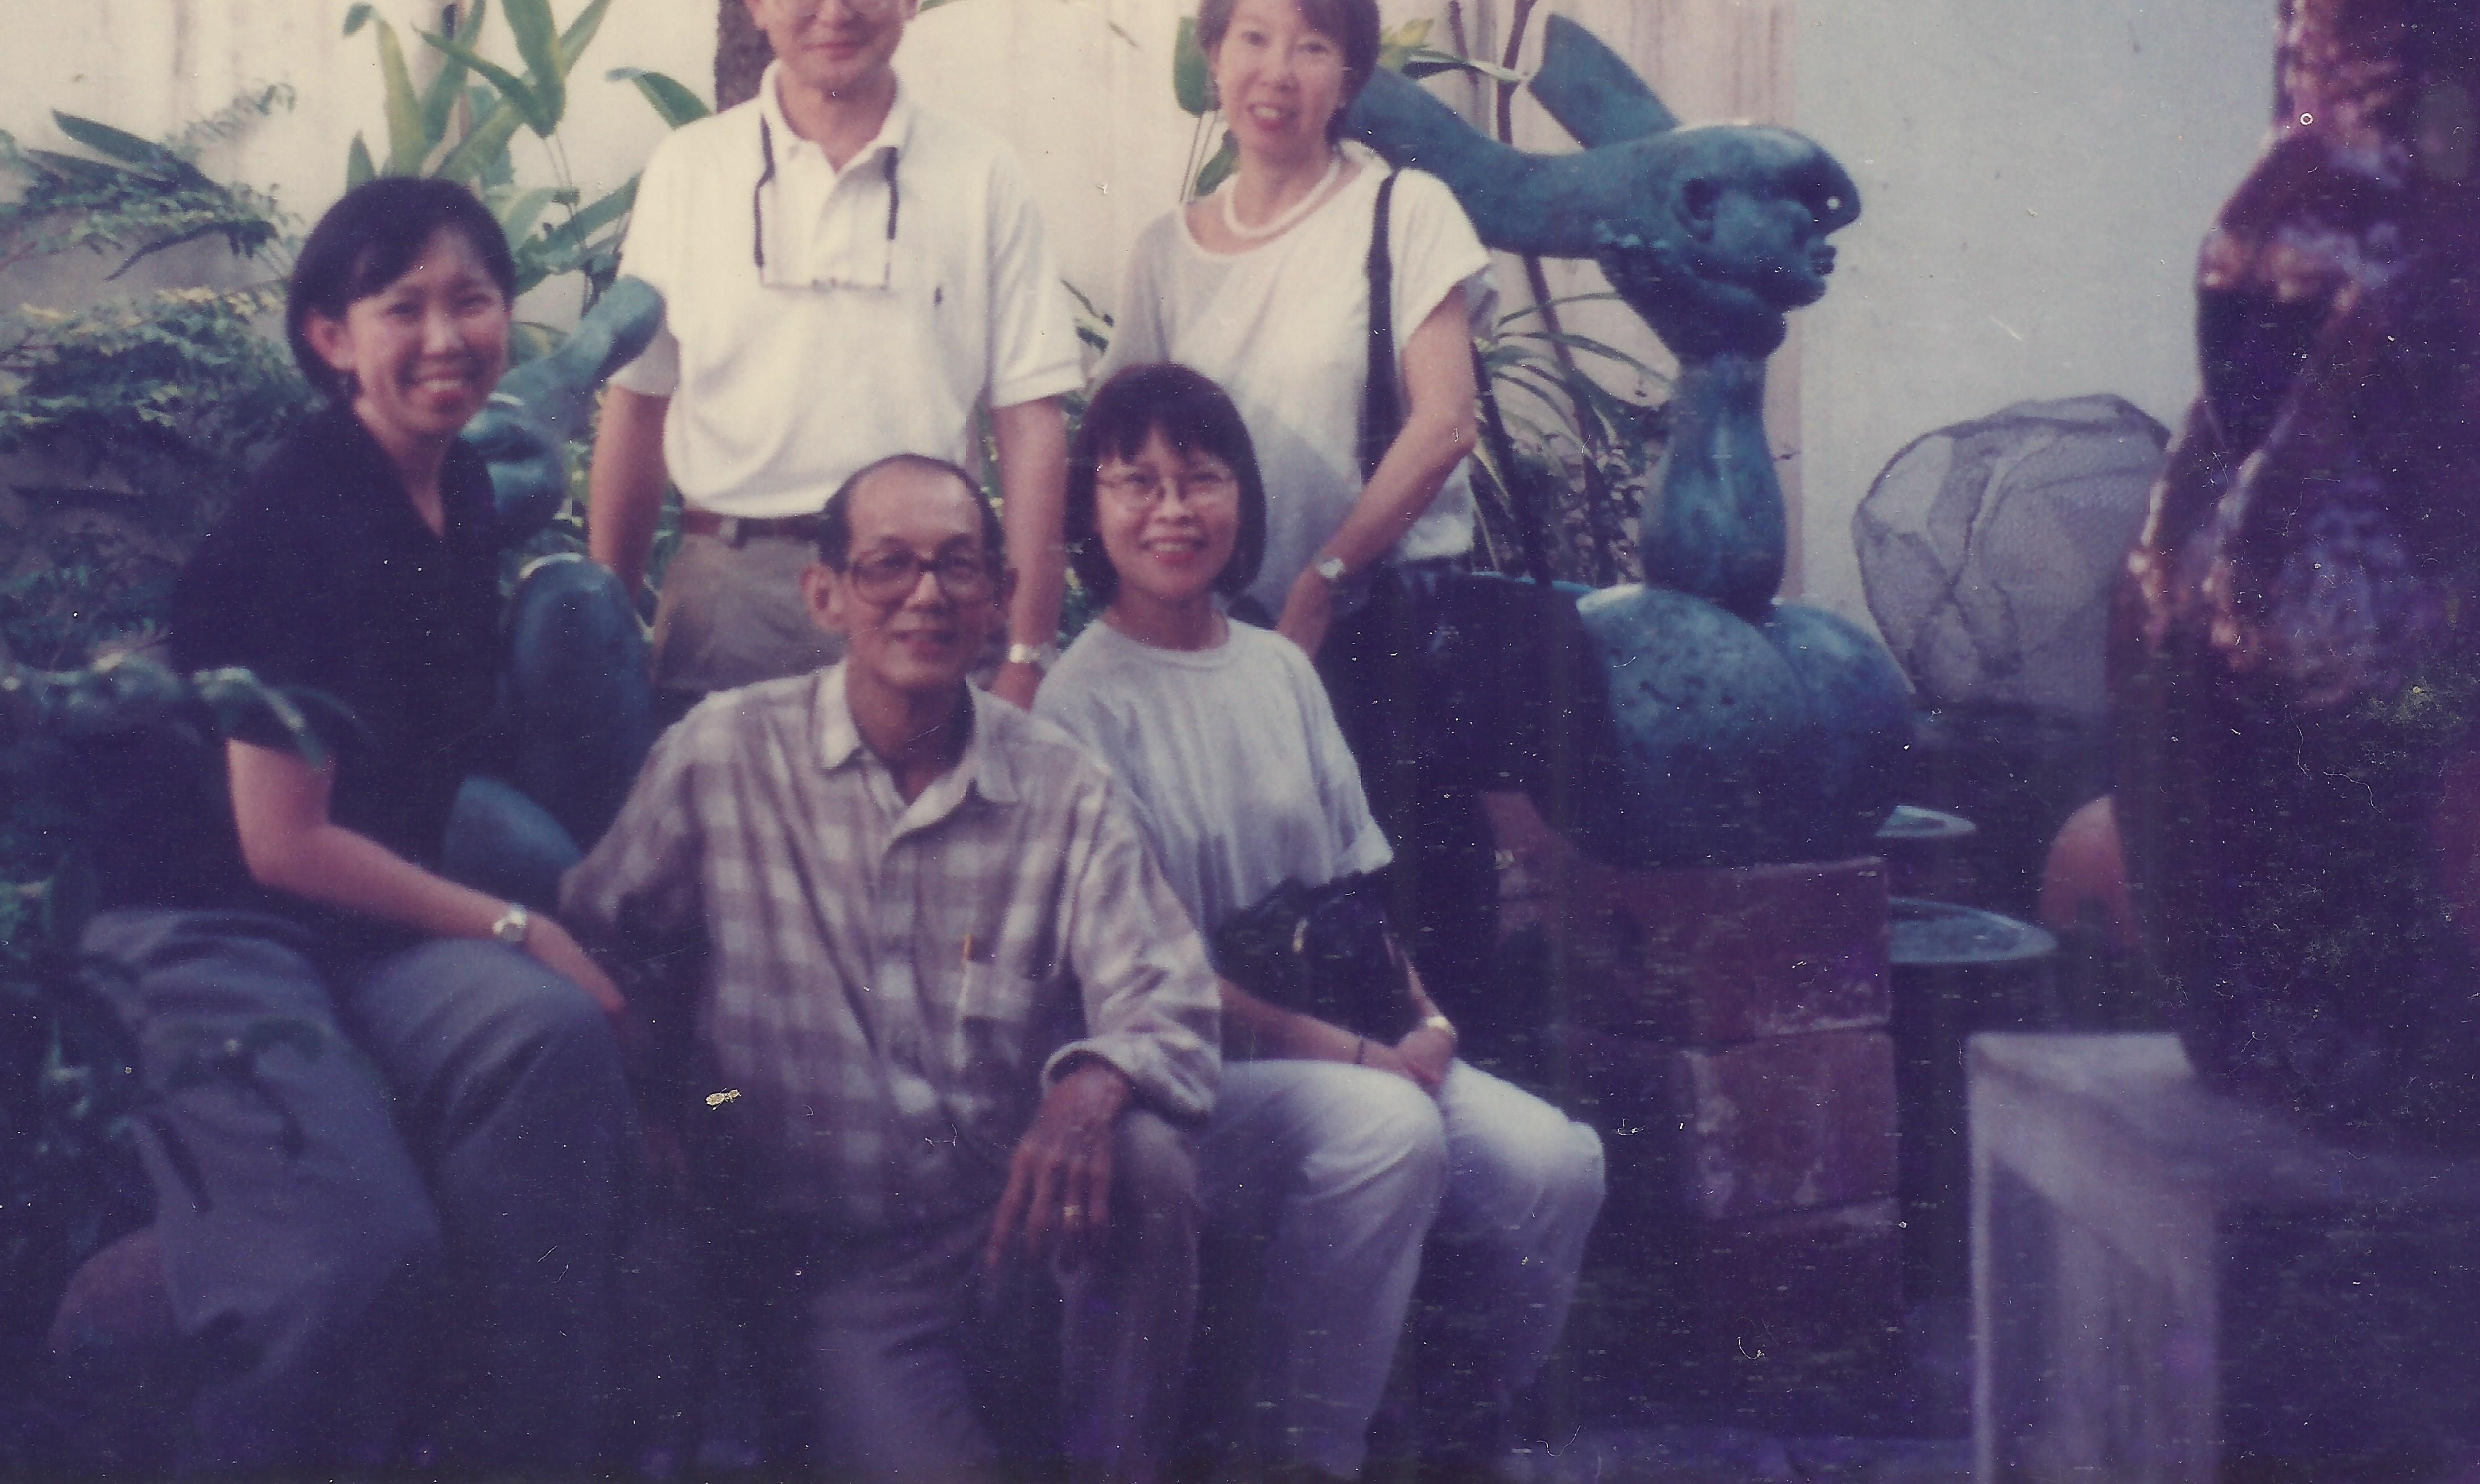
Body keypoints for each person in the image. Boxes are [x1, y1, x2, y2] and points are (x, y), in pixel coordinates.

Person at [77, 178, 641, 1474]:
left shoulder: (455, 500)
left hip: (351, 927)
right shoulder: (303, 525)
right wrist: (519, 923)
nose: (446, 337)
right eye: (404, 309)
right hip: (205, 930)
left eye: (472, 301)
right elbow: (282, 844)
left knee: (547, 1041)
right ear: (332, 338)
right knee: (351, 1258)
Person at [560, 453, 1221, 1482]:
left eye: (959, 566)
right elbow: (604, 942)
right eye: (888, 567)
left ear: (1002, 597)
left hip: (1014, 1225)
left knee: (1147, 1162)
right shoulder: (723, 755)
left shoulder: (1061, 788)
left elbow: (1169, 993)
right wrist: (655, 1098)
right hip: (841, 1265)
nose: (926, 595)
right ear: (824, 593)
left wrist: (1092, 1084)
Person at [1037, 364, 1604, 1477]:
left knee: (1555, 1164)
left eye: (1199, 478)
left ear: (1239, 496)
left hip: (1343, 1042)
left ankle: (1447, 1426)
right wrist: (1360, 1057)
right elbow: (1157, 982)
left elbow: (1352, 893)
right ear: (1089, 512)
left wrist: (1426, 1020)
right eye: (1134, 482)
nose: (1171, 509)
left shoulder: (1277, 671)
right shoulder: (1077, 707)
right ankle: (1299, 1457)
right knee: (1384, 1133)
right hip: (1189, 1071)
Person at [1101, 0, 1506, 1016]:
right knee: (1259, 945)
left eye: (1313, 47)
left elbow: (1445, 424)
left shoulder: (1402, 213)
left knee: (1412, 947)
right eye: (1253, 39)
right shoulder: (1163, 252)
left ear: (1351, 79)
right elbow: (1126, 448)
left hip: (1377, 645)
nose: (1277, 73)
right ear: (1213, 54)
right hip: (1225, 655)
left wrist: (1324, 579)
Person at [588, 0, 1082, 713]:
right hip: (727, 599)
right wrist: (602, 623)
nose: (835, 11)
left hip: (918, 598)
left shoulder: (981, 176)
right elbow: (637, 406)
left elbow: (1032, 426)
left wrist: (1026, 653)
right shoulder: (689, 169)